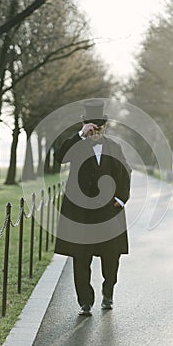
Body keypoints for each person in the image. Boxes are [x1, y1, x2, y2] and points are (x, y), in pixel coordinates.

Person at [54, 99, 132, 316]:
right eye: (91, 128)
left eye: (98, 128)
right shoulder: (77, 145)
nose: (95, 132)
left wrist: (122, 198)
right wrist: (80, 134)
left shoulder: (114, 147)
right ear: (86, 126)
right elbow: (59, 157)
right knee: (81, 258)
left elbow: (126, 174)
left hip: (109, 213)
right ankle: (85, 302)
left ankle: (108, 293)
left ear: (105, 127)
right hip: (81, 215)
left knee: (111, 257)